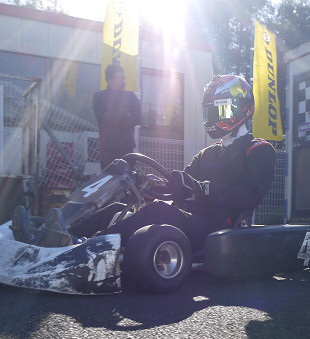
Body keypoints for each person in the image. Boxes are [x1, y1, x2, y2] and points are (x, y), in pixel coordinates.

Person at [10, 74, 276, 254]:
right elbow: (180, 184)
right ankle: (53, 233)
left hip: (218, 226)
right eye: (211, 111)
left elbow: (249, 196)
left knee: (160, 212)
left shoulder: (258, 150)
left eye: (221, 110)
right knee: (117, 208)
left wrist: (201, 188)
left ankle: (83, 248)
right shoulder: (208, 153)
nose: (214, 117)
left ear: (241, 108)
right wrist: (150, 182)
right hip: (190, 218)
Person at [93, 64, 142, 170]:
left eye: (124, 78)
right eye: (120, 79)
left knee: (129, 178)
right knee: (108, 178)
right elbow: (103, 118)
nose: (123, 81)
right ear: (109, 80)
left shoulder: (130, 96)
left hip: (127, 149)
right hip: (107, 150)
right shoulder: (100, 97)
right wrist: (125, 114)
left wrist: (113, 118)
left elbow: (138, 118)